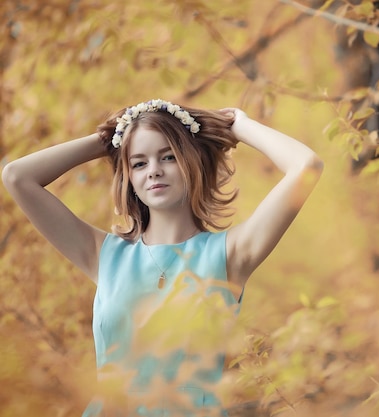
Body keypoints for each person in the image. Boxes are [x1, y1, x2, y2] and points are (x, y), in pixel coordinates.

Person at [1, 99, 323, 416]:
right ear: (129, 177)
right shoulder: (103, 255)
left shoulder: (229, 255)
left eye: (168, 157)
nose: (153, 171)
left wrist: (239, 125)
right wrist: (109, 140)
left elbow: (306, 167)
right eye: (139, 163)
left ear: (191, 161)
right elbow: (16, 176)